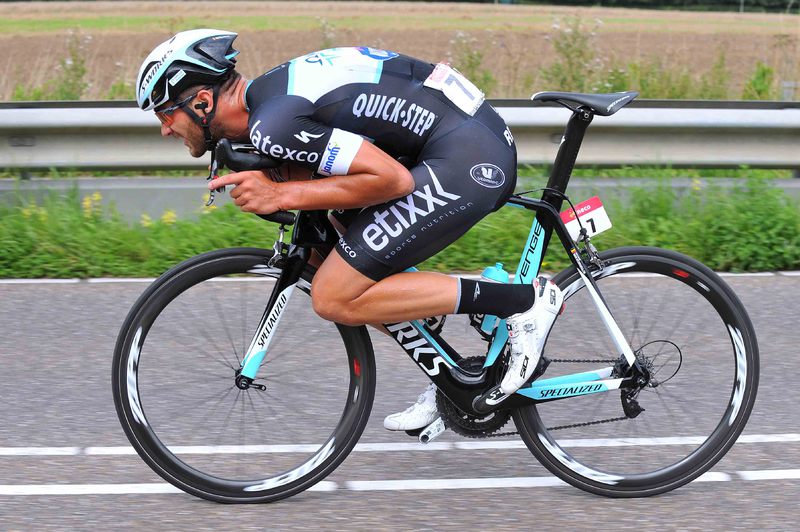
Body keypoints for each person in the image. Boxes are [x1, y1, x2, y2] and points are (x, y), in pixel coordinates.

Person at [136, 29, 564, 432]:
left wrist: (280, 196)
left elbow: (392, 181)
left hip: (467, 156)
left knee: (333, 293)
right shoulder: (269, 102)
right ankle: (455, 373)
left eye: (166, 113)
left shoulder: (273, 124)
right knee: (331, 258)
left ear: (204, 102)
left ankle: (521, 301)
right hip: (453, 138)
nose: (164, 129)